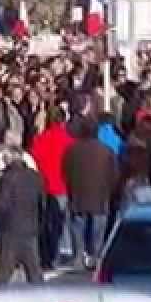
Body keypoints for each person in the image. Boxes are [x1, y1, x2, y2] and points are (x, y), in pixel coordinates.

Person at [63, 99, 117, 270]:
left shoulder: (72, 149)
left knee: (78, 227)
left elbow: (65, 170)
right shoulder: (106, 150)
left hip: (78, 195)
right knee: (98, 230)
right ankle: (96, 257)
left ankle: (78, 257)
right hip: (100, 196)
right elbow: (114, 174)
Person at [0, 147, 45, 286]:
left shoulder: (6, 179)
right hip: (30, 230)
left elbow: (2, 205)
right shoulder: (35, 177)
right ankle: (41, 300)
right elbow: (42, 203)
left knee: (2, 274)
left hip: (11, 231)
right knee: (34, 273)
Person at [28, 108, 74, 271]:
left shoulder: (40, 139)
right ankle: (63, 250)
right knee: (62, 220)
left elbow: (33, 161)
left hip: (42, 185)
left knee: (44, 220)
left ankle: (45, 252)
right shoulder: (68, 140)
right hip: (61, 185)